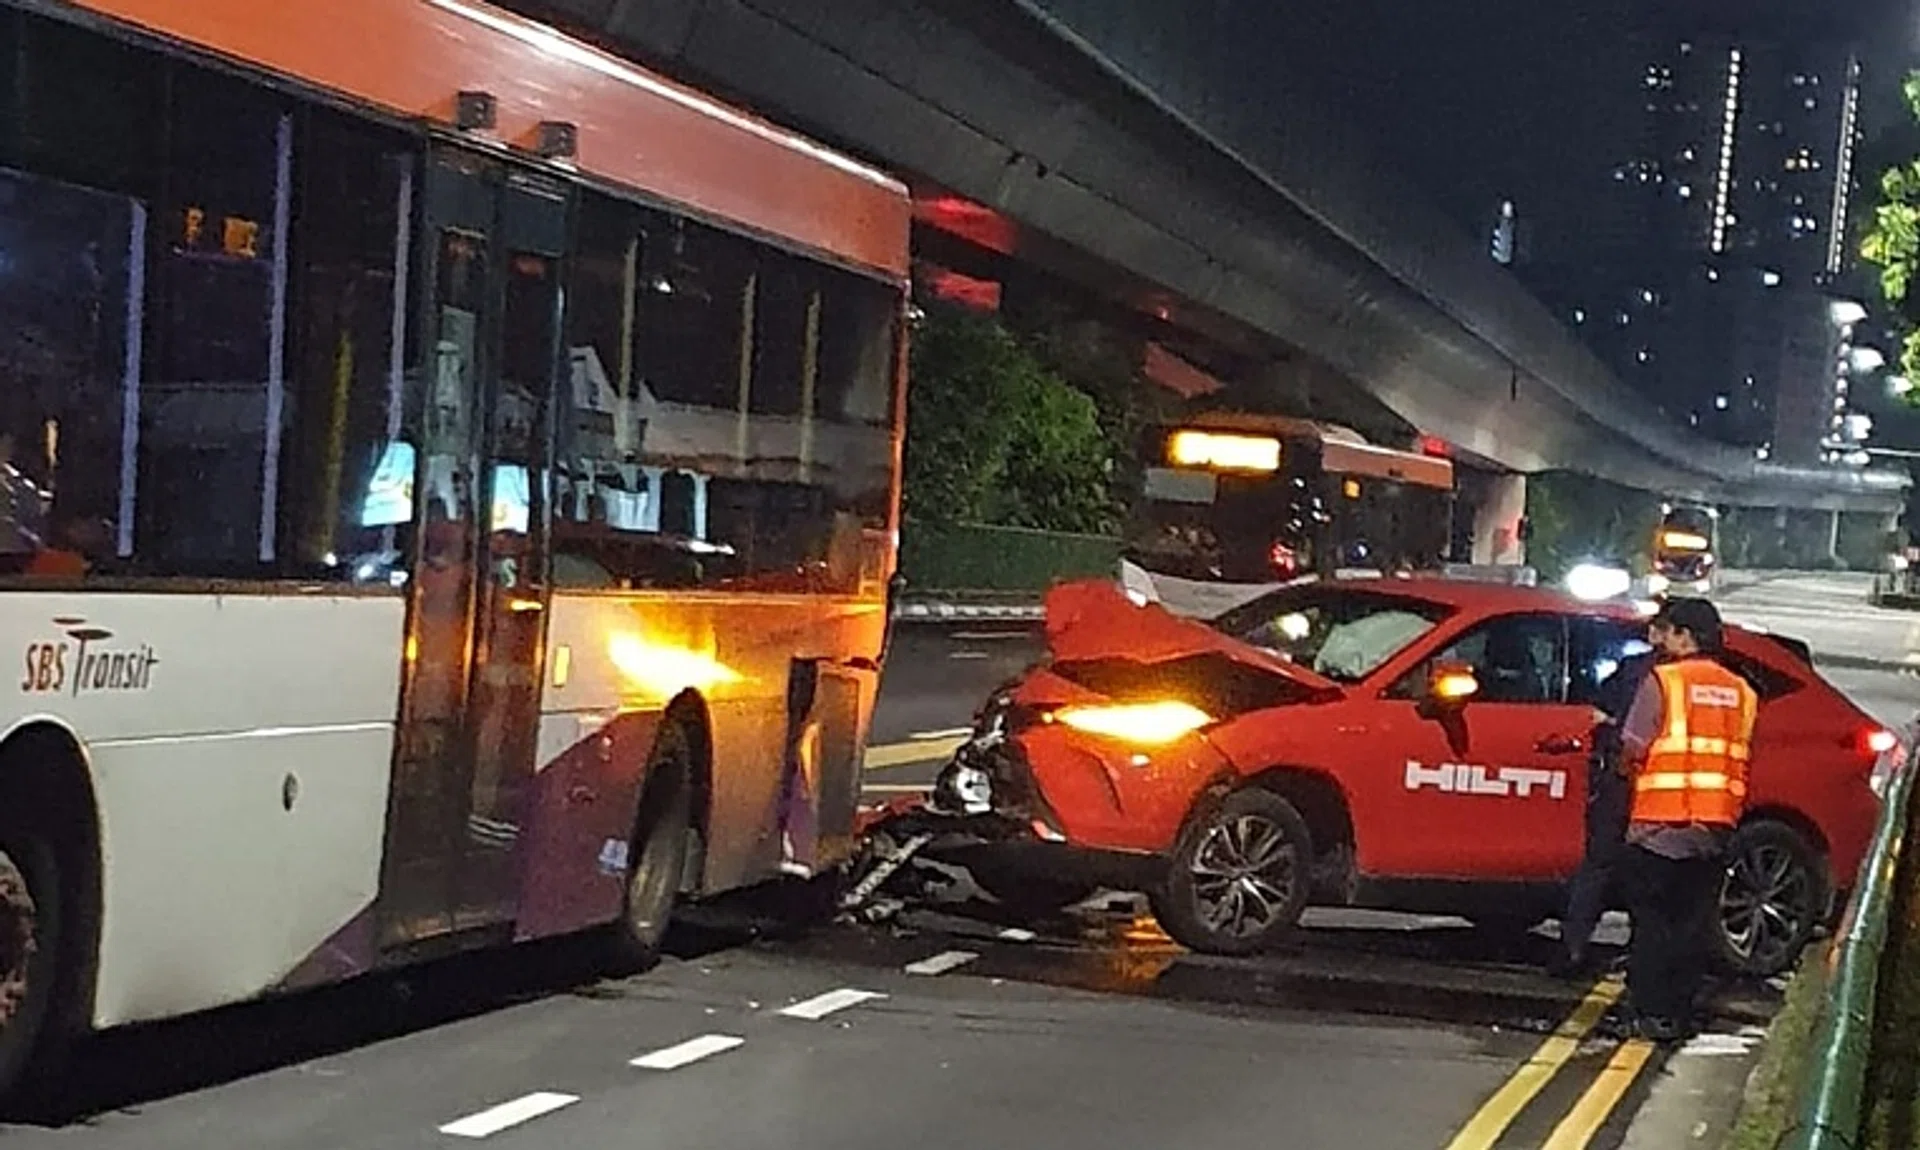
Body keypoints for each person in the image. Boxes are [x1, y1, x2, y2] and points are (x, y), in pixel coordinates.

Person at [1614, 597, 1757, 1041]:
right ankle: (1678, 1013)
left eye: (1671, 631)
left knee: (1652, 925)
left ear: (1686, 637)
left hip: (1660, 826)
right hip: (1714, 829)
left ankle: (1648, 1012)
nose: (1665, 639)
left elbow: (1634, 747)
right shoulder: (1742, 692)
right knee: (1691, 927)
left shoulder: (1665, 681)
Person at [1549, 612, 1673, 977]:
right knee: (1649, 876)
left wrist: (1613, 739)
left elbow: (1602, 719)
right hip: (1665, 793)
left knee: (1600, 866)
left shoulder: (1642, 672)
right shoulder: (1692, 677)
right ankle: (1642, 956)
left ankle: (1573, 948)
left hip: (1630, 783)